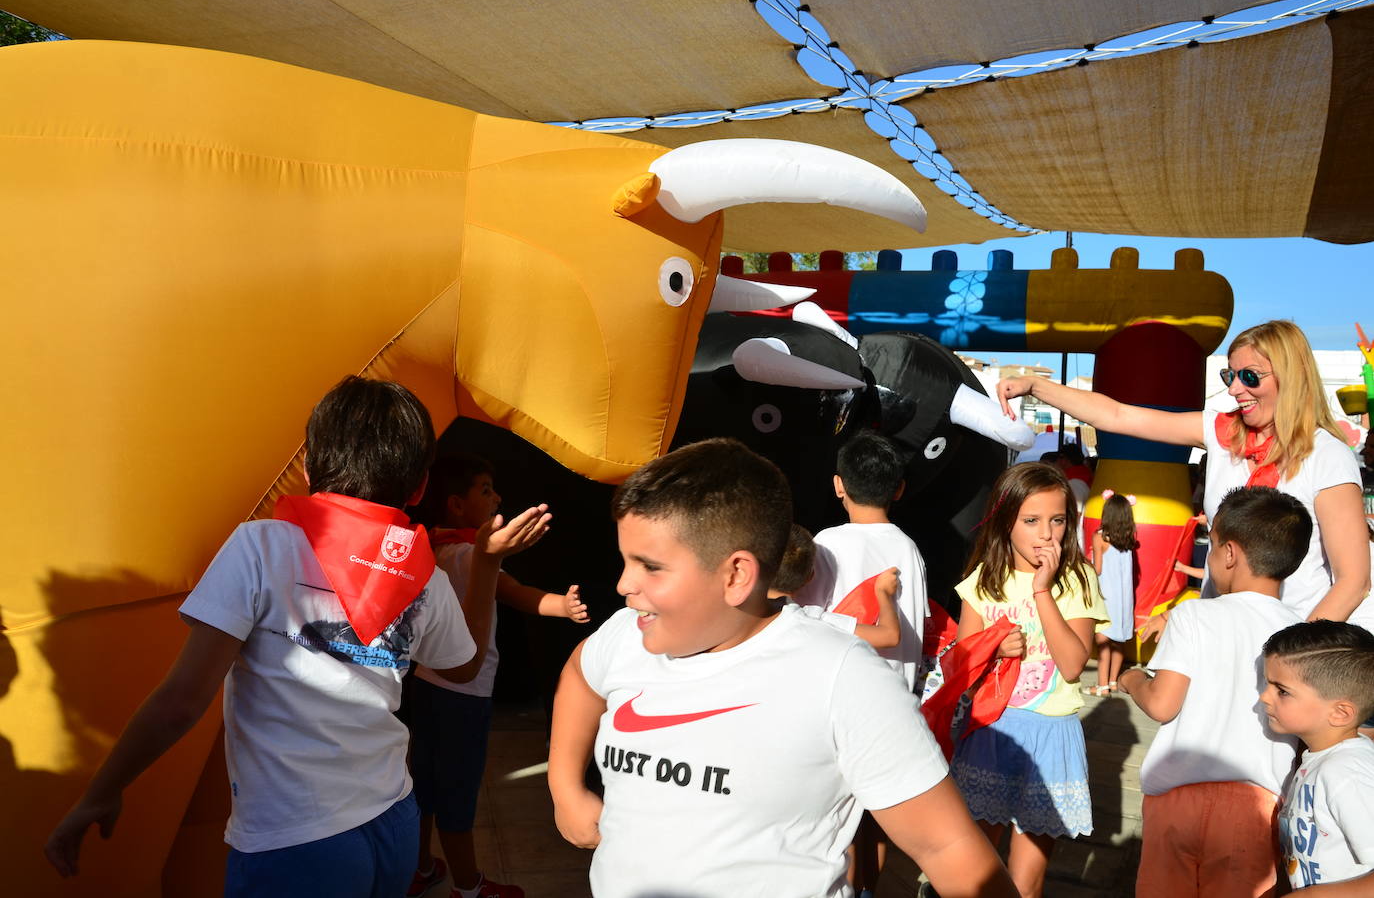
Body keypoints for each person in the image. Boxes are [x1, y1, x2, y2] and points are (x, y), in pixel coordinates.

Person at [42, 376, 552, 897]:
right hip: (393, 815)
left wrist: (101, 792)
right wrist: (486, 565)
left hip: (294, 838)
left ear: (307, 467)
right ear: (420, 488)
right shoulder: (424, 573)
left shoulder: (261, 546)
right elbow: (462, 668)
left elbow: (181, 702)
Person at [547, 438, 1019, 898]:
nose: (624, 584)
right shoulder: (624, 635)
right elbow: (579, 675)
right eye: (626, 561)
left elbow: (948, 847)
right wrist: (565, 787)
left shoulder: (842, 677)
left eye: (650, 567)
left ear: (736, 575)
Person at [997, 320, 1369, 622]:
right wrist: (1034, 386)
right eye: (1230, 376)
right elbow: (1117, 415)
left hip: (1288, 638)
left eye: (1250, 377)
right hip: (1217, 634)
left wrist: (1295, 656)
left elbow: (1352, 581)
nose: (1235, 389)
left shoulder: (1328, 457)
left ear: (1291, 378)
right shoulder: (1221, 431)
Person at [404, 454, 589, 898]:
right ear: (456, 504)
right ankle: (469, 888)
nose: (497, 497)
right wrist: (561, 605)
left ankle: (421, 867)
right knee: (457, 793)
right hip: (463, 696)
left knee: (423, 785)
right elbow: (517, 593)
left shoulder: (430, 547)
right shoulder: (470, 554)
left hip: (425, 682)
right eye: (485, 489)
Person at [1117, 486, 1309, 898]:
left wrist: (1131, 678)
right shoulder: (1301, 635)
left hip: (1175, 799)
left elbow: (1162, 704)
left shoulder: (1194, 614)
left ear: (1228, 554)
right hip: (1256, 808)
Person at [949, 461, 1109, 898]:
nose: (1046, 534)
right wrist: (993, 645)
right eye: (1032, 521)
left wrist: (1042, 590)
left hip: (1052, 737)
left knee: (1026, 883)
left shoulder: (1077, 578)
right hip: (990, 732)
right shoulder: (984, 579)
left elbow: (1073, 663)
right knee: (976, 874)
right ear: (1006, 522)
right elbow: (962, 665)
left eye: (1057, 520)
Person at [794, 430, 928, 691]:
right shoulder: (909, 548)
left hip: (842, 690)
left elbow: (804, 618)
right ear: (899, 489)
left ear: (838, 485)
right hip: (897, 692)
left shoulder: (828, 542)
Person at [1261, 620, 1374, 892]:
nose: (1264, 697)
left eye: (1282, 691)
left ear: (1340, 713)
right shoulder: (1322, 760)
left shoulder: (1346, 772)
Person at [768, 523, 901, 650]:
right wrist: (883, 593)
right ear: (810, 577)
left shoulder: (747, 612)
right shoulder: (813, 619)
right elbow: (889, 636)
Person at [1090, 491, 1138, 695]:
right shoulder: (1128, 541)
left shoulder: (1100, 537)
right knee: (1118, 641)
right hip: (1124, 598)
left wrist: (1085, 561)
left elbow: (1098, 569)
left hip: (1105, 596)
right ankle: (1112, 682)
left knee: (1102, 641)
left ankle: (1101, 686)